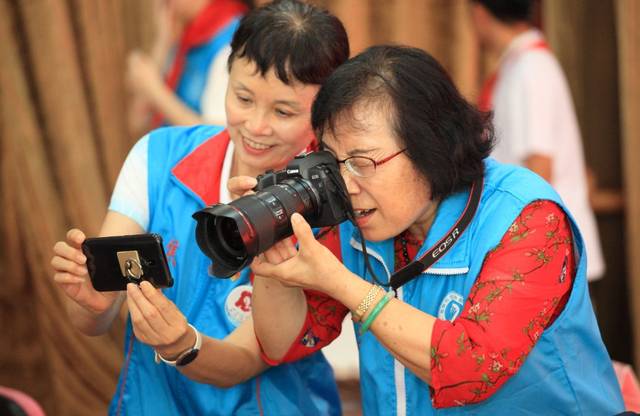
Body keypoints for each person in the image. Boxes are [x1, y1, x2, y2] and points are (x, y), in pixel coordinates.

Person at [247, 45, 624, 414]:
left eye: (362, 161)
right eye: (333, 161)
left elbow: (471, 366)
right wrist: (269, 249)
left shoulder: (526, 217)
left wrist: (343, 283)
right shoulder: (355, 217)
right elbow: (283, 343)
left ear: (430, 146)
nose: (346, 184)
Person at [50, 1, 349, 414]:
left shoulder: (330, 211)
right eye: (243, 98)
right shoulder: (159, 156)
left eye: (283, 111)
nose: (256, 126)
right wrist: (90, 301)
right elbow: (95, 318)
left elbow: (248, 358)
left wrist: (183, 345)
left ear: (325, 112)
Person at [470, 0, 605, 282]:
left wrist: (524, 250)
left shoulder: (531, 67)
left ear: (479, 13)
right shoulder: (519, 63)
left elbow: (540, 167)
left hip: (545, 250)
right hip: (539, 244)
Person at [126, 0, 250, 135]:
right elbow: (137, 120)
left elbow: (218, 136)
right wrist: (163, 42)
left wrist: (156, 91)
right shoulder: (185, 31)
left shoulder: (232, 41)